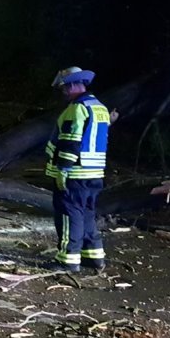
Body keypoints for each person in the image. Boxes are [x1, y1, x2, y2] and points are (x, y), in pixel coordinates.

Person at [45, 66, 115, 272]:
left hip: (75, 172)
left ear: (76, 85)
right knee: (86, 214)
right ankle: (94, 256)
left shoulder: (76, 109)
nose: (63, 92)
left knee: (69, 215)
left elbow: (71, 142)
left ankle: (68, 260)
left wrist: (62, 170)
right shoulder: (100, 108)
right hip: (95, 174)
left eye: (65, 88)